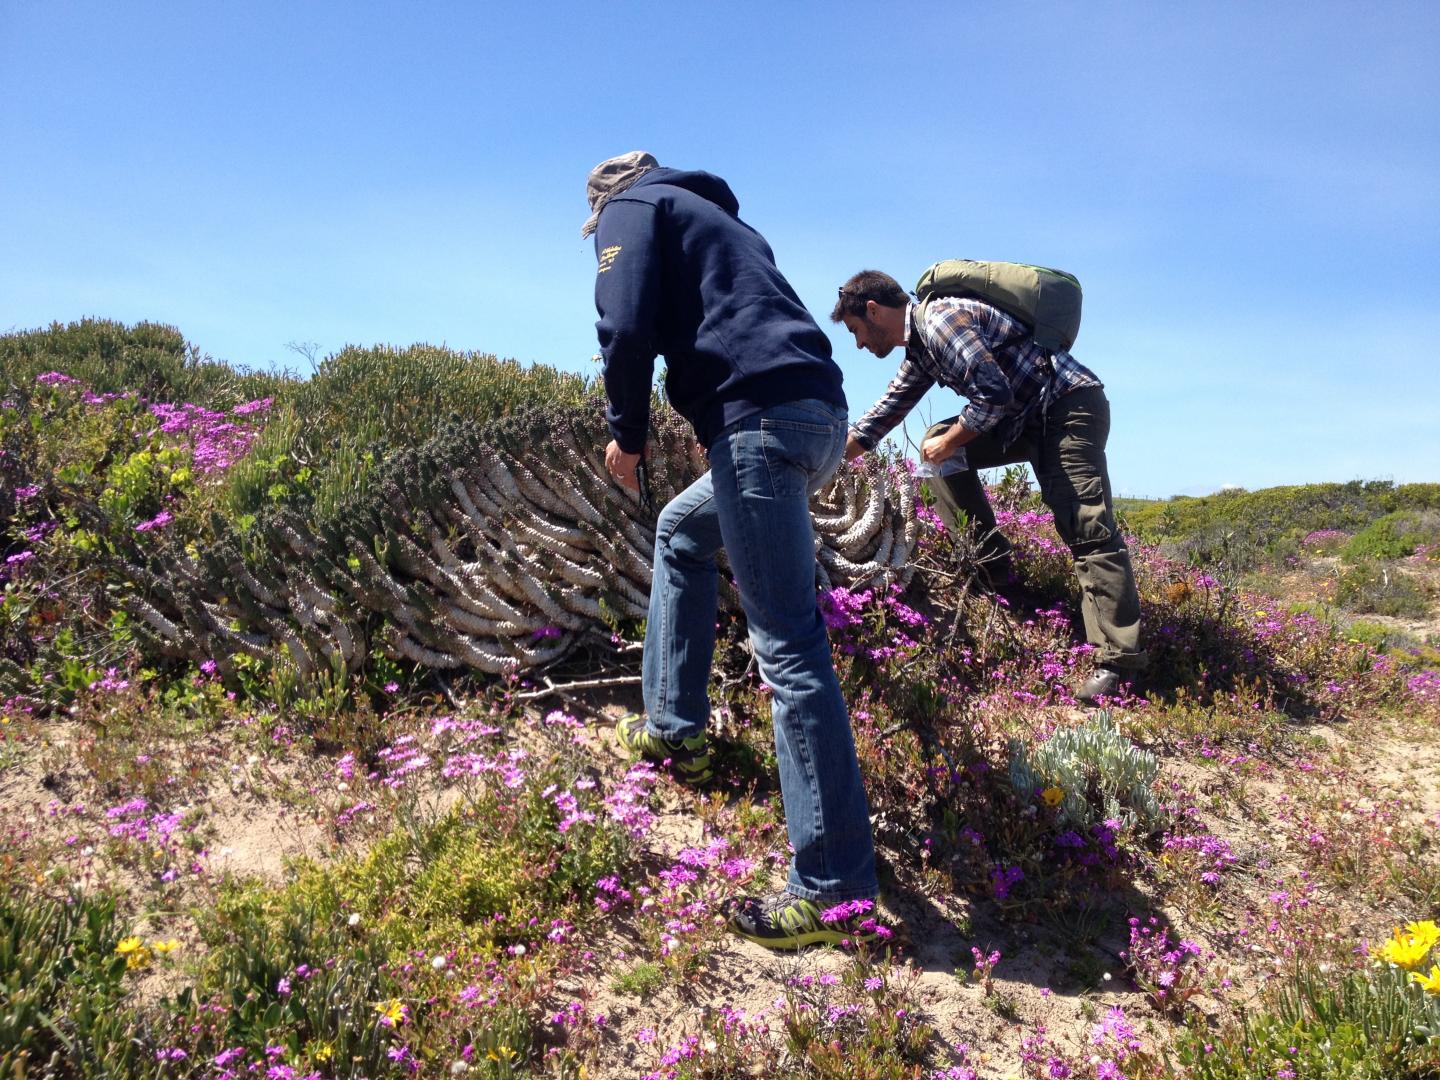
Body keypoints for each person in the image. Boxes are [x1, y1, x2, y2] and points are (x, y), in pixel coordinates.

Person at [584, 152, 881, 948]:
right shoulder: (719, 217)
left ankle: (834, 889)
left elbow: (623, 323)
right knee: (681, 531)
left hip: (759, 424)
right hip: (818, 417)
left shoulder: (630, 208)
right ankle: (673, 727)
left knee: (788, 646)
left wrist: (627, 434)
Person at [832, 269, 1145, 704]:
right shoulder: (921, 349)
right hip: (1023, 418)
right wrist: (825, 466)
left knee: (1085, 525)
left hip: (1066, 407)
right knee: (936, 444)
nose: (859, 344)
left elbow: (994, 395)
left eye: (856, 331)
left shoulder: (940, 321)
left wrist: (951, 441)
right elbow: (882, 416)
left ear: (873, 310)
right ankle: (993, 568)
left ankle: (1119, 663)